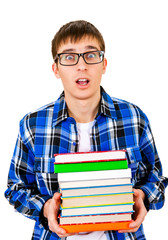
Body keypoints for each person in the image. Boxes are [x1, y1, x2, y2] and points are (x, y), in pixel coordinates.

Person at [5, 20, 168, 240]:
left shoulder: (134, 118)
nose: (82, 66)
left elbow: (156, 178)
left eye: (91, 56)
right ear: (56, 69)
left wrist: (145, 198)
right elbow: (15, 188)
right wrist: (45, 209)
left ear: (104, 65)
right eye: (69, 57)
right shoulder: (32, 125)